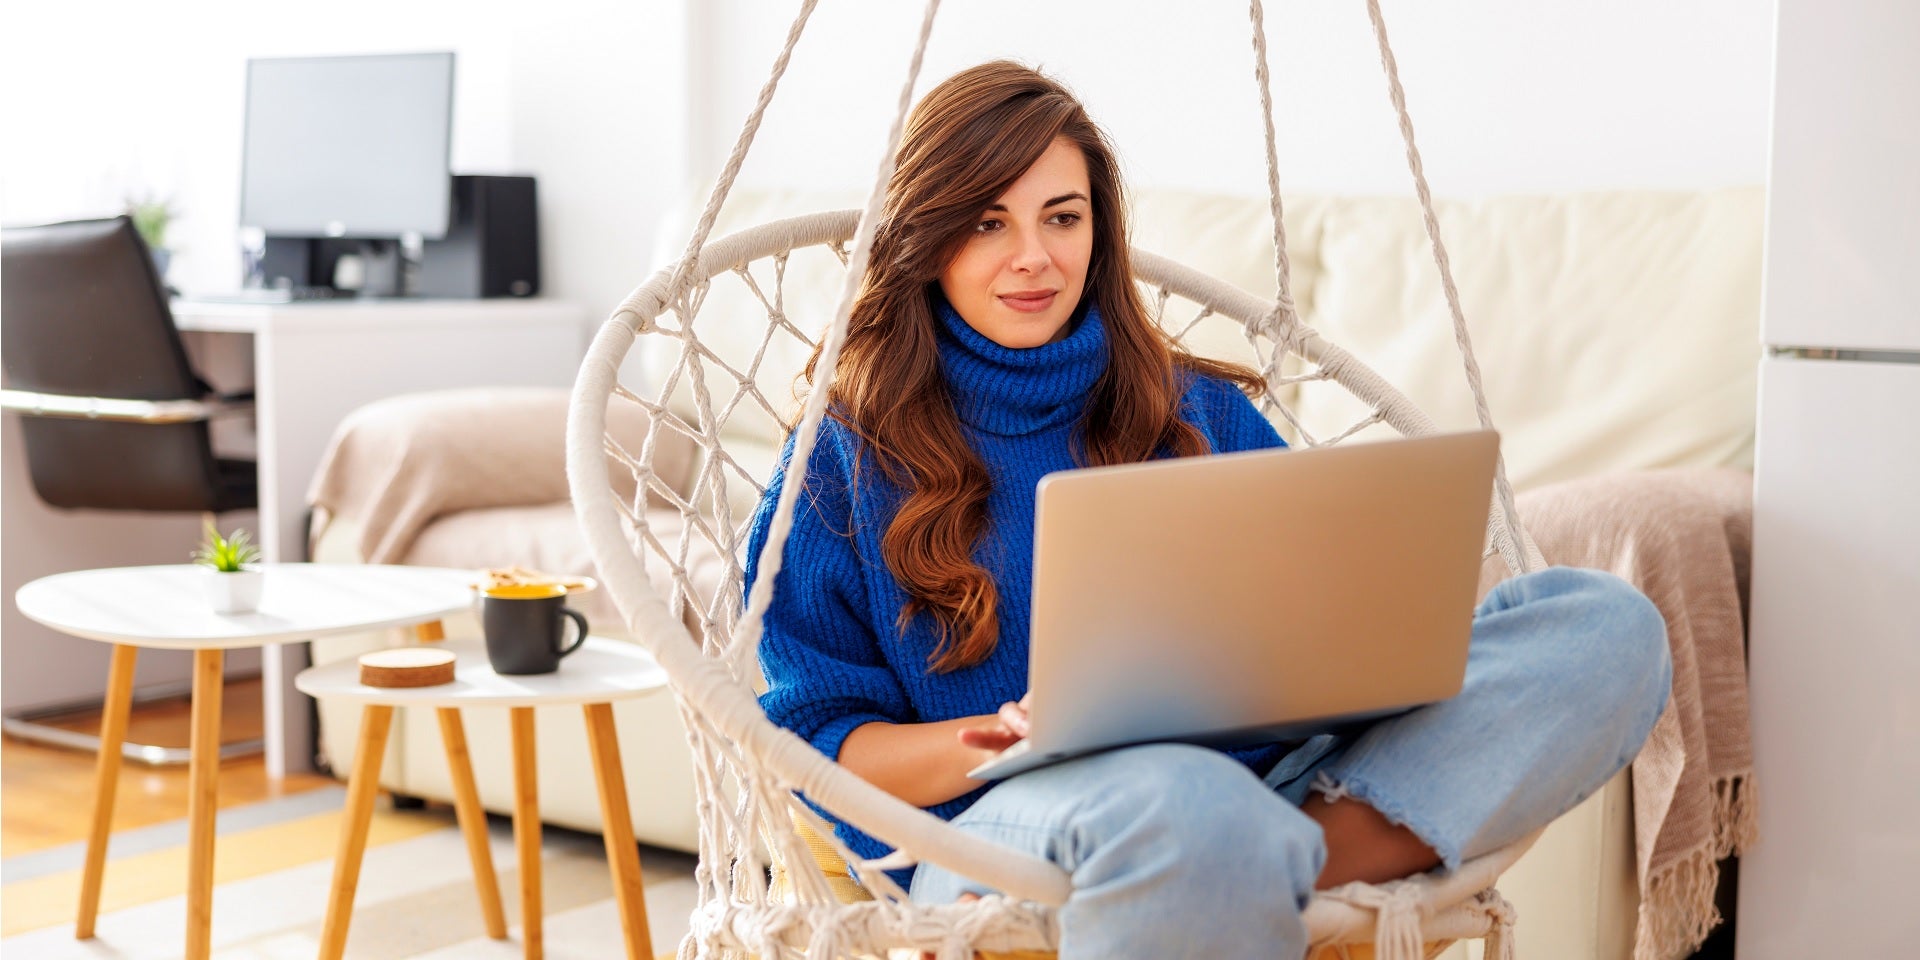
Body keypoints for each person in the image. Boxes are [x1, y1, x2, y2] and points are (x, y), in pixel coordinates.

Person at [744, 60, 1671, 959]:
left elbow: (1310, 609)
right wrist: (991, 738)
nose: (1034, 257)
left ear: (1098, 232)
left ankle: (1258, 864)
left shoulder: (1191, 406)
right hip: (1001, 833)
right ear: (927, 237)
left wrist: (1354, 656)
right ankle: (1225, 858)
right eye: (989, 222)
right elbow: (815, 745)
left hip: (1271, 780)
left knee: (1604, 628)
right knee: (1183, 801)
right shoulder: (839, 462)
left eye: (1062, 218)